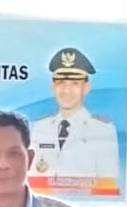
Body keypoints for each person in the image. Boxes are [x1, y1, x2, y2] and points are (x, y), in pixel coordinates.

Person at [29, 47, 121, 192]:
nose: (67, 90)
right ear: (53, 87)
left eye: (75, 83)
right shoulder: (40, 127)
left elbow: (108, 185)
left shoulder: (102, 129)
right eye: (61, 83)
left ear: (86, 87)